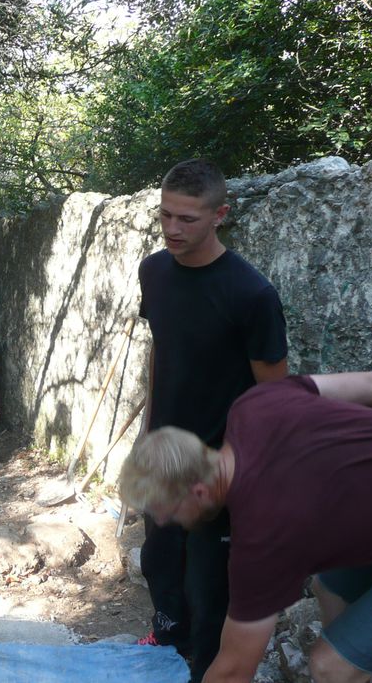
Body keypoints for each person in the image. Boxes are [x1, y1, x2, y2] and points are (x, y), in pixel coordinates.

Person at [120, 371, 372, 683]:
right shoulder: (254, 406)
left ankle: (359, 666)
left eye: (167, 513)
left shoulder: (264, 537)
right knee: (328, 588)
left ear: (199, 492)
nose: (163, 522)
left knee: (329, 667)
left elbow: (232, 672)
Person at [136, 158, 288, 682]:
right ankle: (165, 641)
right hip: (163, 458)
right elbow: (162, 353)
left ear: (220, 214)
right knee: (158, 566)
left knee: (209, 591)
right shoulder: (153, 271)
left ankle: (204, 670)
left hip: (221, 469)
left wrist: (239, 468)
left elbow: (276, 398)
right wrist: (147, 432)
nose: (173, 230)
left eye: (188, 219)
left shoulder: (252, 295)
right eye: (166, 216)